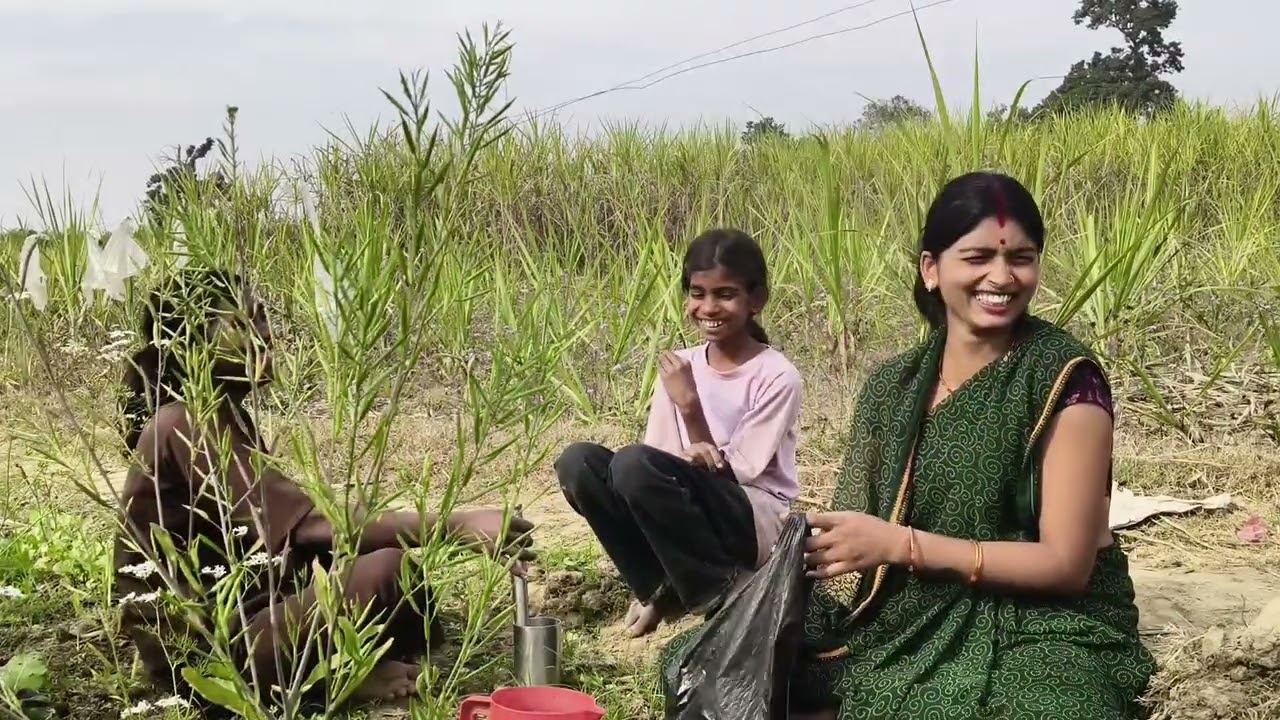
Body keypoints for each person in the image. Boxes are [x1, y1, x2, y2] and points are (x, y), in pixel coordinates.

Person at [782, 172, 1155, 718]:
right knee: (716, 661)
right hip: (911, 607)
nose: (1002, 277)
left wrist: (900, 546)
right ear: (931, 269)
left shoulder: (1066, 380)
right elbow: (855, 531)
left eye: (1021, 258)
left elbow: (1066, 565)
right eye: (977, 257)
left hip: (1046, 620)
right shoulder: (895, 386)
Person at [112, 267, 534, 704]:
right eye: (243, 323)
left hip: (253, 618)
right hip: (213, 662)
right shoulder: (185, 421)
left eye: (262, 317)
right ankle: (334, 680)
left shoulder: (222, 414)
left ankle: (346, 671)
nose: (266, 335)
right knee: (388, 571)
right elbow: (305, 525)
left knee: (379, 563)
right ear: (193, 344)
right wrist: (456, 525)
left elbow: (276, 537)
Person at [555, 228, 803, 638]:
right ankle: (658, 589)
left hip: (747, 517)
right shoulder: (680, 365)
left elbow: (737, 472)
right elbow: (655, 461)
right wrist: (673, 443)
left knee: (634, 463)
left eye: (725, 294)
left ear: (756, 300)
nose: (708, 307)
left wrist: (690, 409)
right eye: (697, 293)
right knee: (579, 462)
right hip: (686, 505)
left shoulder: (777, 376)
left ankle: (724, 590)